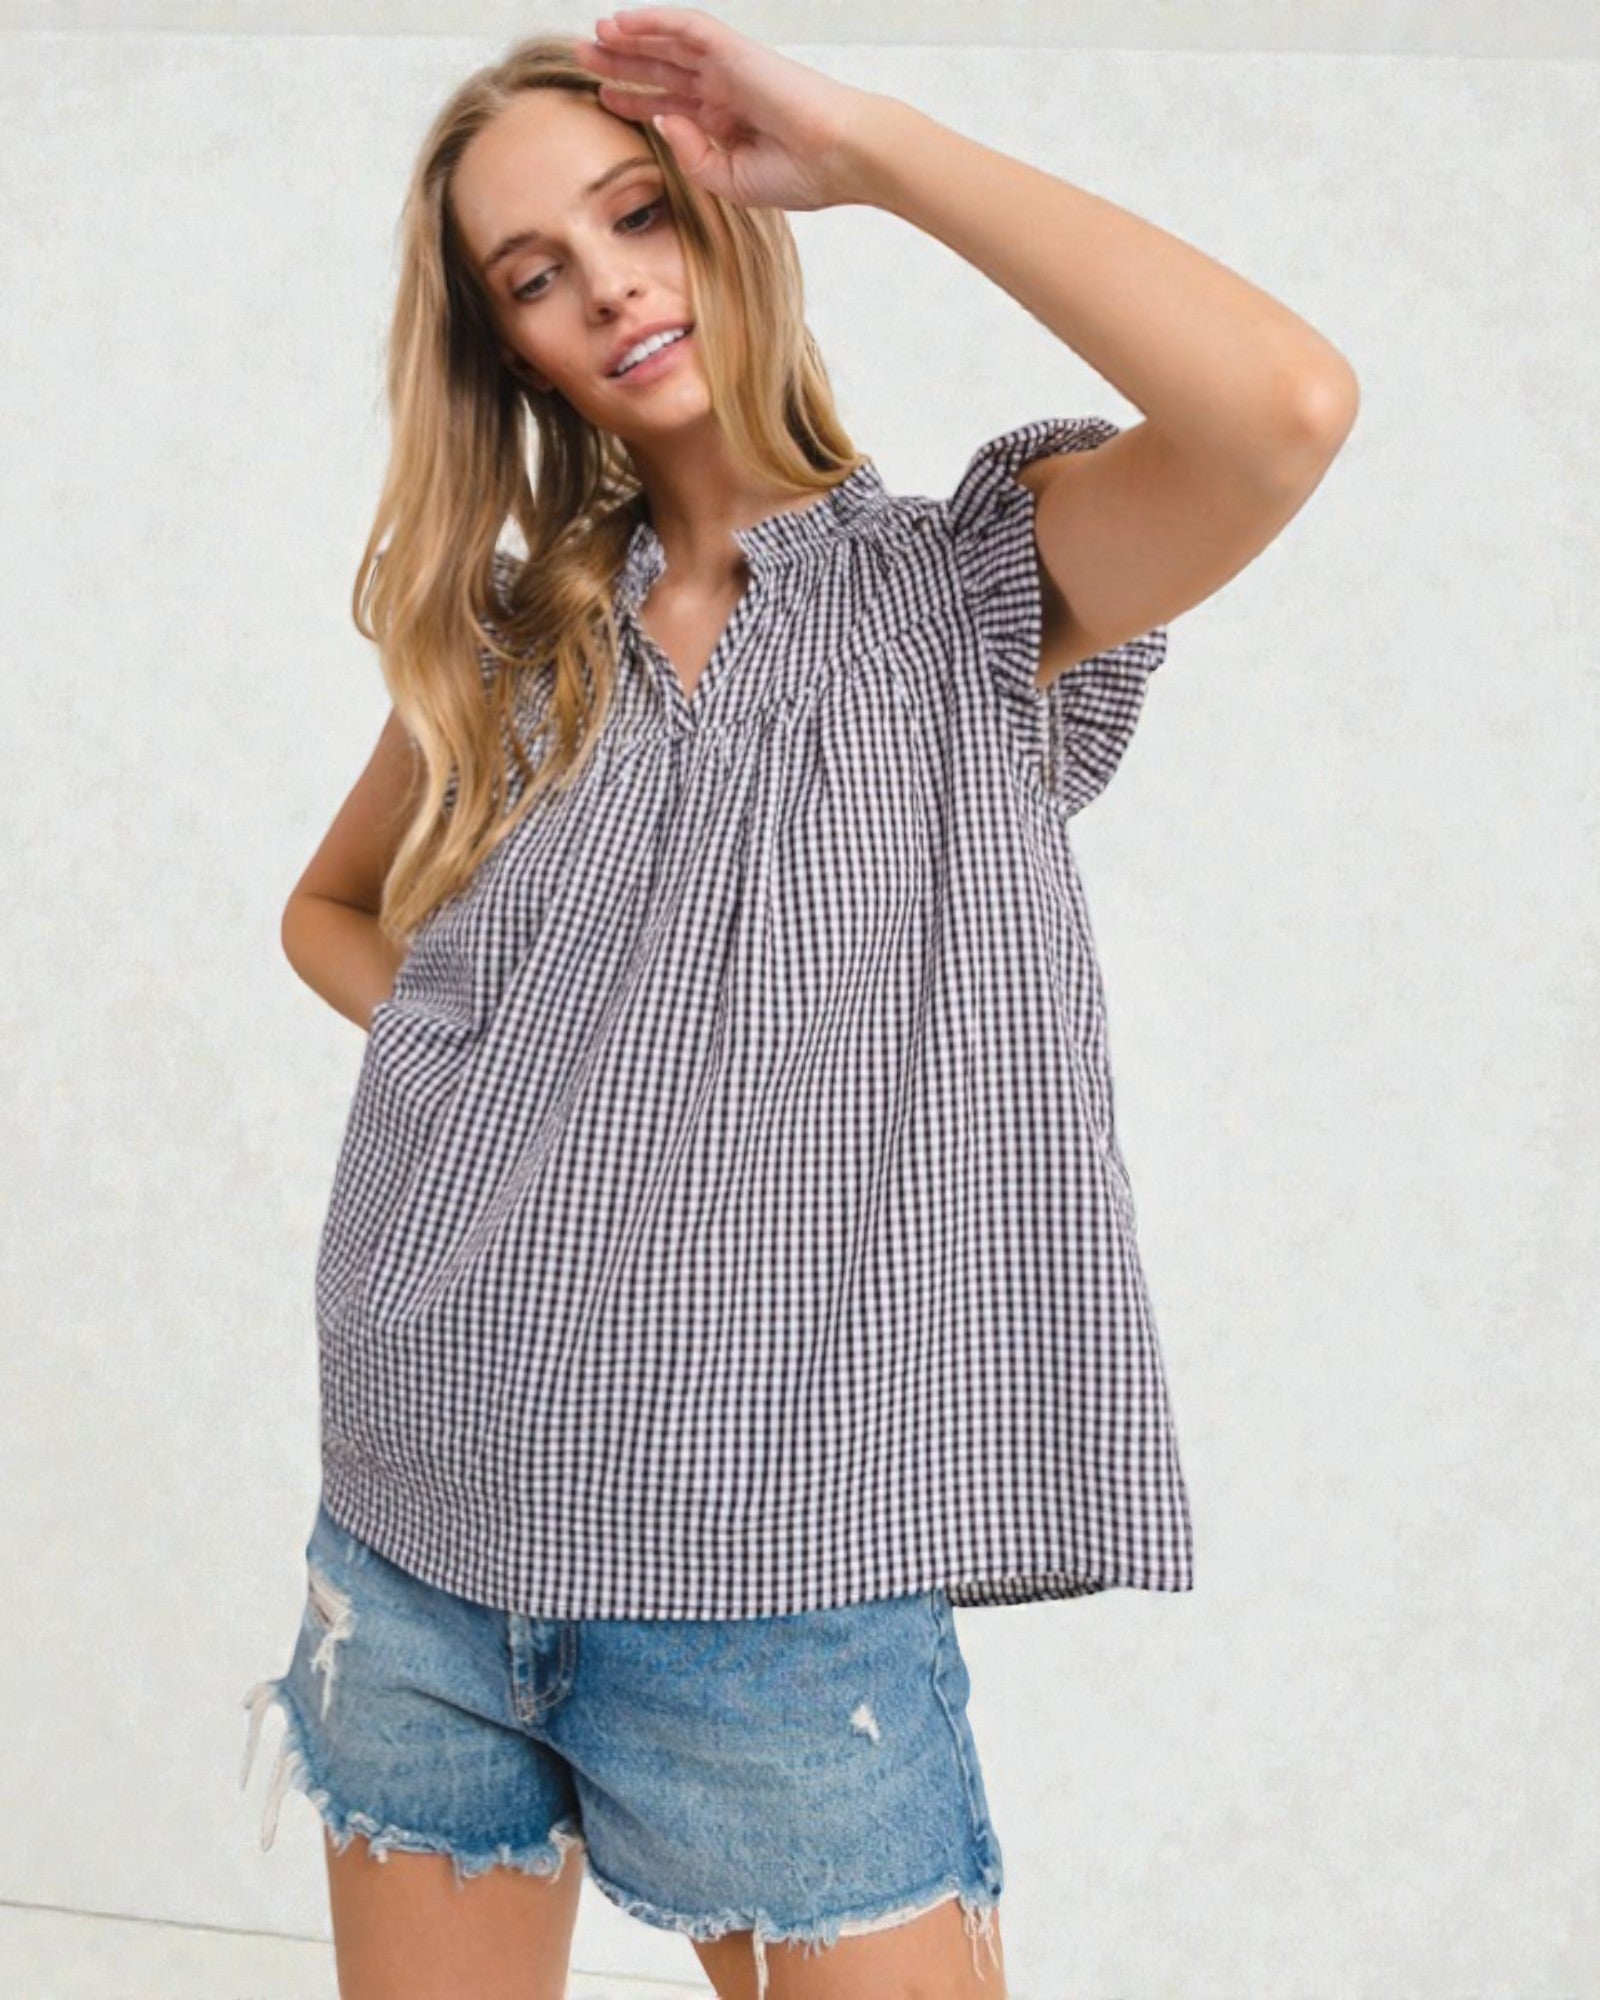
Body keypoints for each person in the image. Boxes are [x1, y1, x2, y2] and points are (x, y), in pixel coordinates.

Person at [237, 9, 1359, 1998]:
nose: (607, 287)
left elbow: (1279, 404)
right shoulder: (522, 645)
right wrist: (480, 1062)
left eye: (636, 213)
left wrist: (861, 141)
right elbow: (329, 915)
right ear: (506, 344)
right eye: (535, 273)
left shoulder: (968, 592)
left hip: (773, 1576)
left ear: (727, 213)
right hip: (418, 1524)